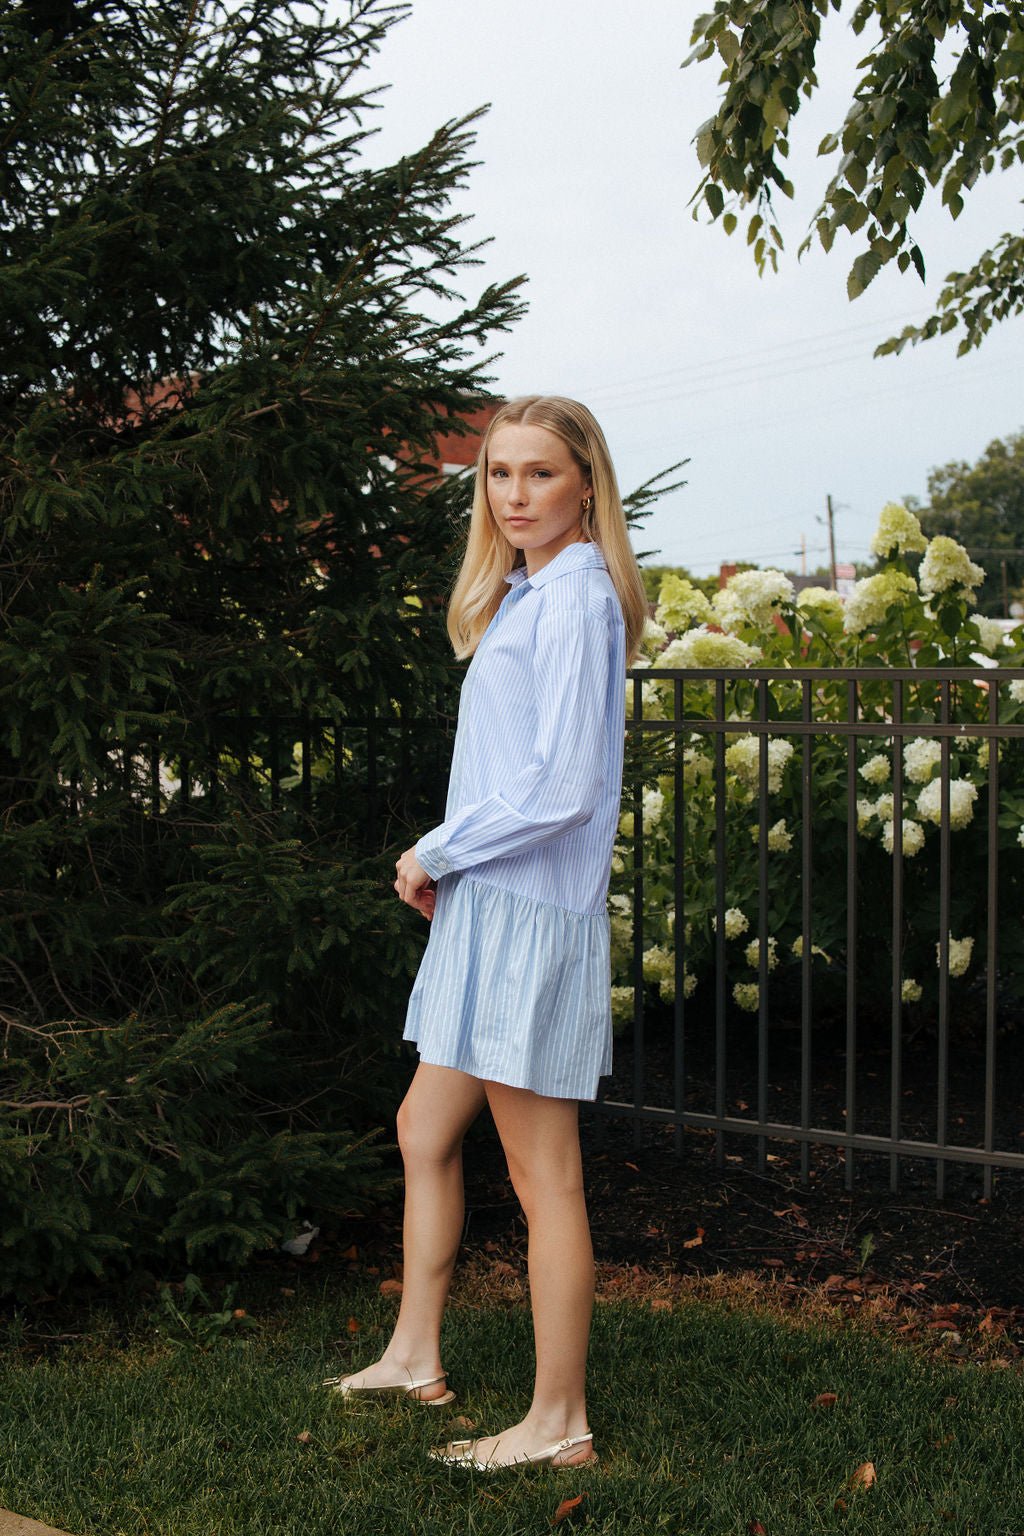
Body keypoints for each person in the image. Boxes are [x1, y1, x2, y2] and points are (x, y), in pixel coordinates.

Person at [322, 395, 649, 1470]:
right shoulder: (528, 592)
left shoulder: (577, 599)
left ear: (586, 484)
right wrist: (453, 869)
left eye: (539, 473)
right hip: (487, 905)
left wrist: (436, 851)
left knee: (543, 1174)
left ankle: (560, 1423)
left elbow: (562, 786)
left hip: (527, 917)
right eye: (499, 473)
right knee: (424, 1129)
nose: (514, 494)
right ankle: (414, 1356)